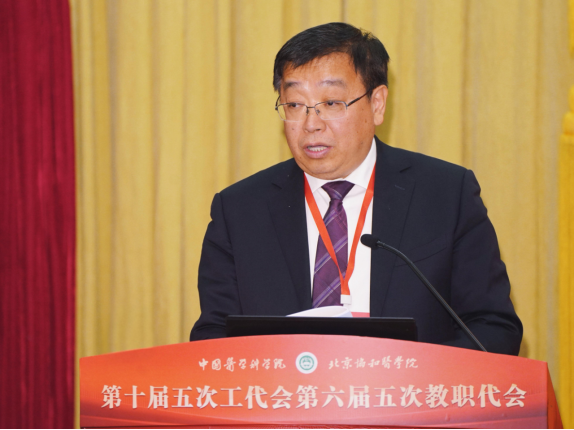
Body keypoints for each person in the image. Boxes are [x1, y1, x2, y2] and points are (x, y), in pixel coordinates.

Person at [190, 22, 523, 355]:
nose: (311, 123)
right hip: (283, 387)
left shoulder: (446, 195)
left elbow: (493, 328)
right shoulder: (240, 211)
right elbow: (212, 338)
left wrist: (414, 376)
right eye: (294, 105)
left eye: (332, 103)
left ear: (377, 104)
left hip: (411, 387)